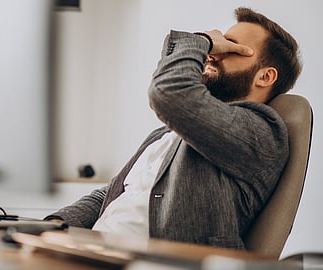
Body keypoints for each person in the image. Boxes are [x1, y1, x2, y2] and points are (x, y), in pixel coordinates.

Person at [46, 7, 302, 250]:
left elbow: (169, 93)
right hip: (96, 252)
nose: (213, 53)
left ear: (265, 76)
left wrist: (200, 40)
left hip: (160, 262)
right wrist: (51, 226)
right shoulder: (166, 134)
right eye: (220, 43)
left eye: (232, 49)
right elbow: (115, 193)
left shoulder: (262, 132)